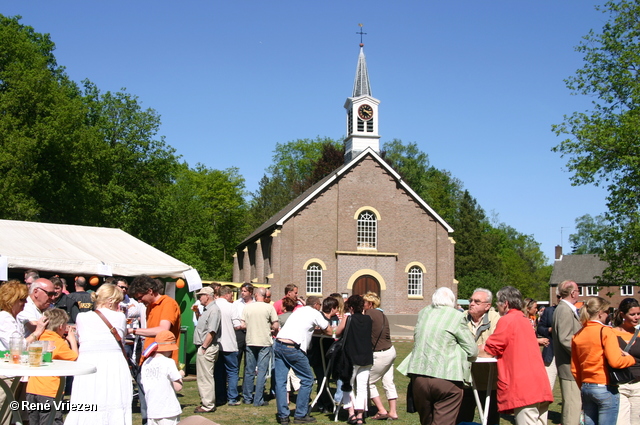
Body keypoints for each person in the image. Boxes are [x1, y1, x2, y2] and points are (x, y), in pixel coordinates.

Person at [397, 287, 477, 425]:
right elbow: (472, 350)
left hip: (419, 376)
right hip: (447, 377)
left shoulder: (424, 313)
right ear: (452, 301)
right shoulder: (457, 316)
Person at [482, 286, 554, 425]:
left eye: (498, 302)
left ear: (506, 303)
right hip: (538, 385)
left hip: (524, 388)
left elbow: (490, 349)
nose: (497, 306)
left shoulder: (508, 320)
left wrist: (471, 349)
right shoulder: (524, 320)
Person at [65, 283, 133, 425]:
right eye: (118, 302)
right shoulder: (120, 317)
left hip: (88, 363)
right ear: (111, 301)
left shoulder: (81, 318)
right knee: (114, 401)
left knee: (87, 400)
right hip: (113, 364)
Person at [572, 297, 636, 425]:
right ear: (600, 313)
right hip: (605, 386)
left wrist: (583, 385)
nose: (608, 315)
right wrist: (630, 359)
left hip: (586, 386)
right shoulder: (606, 331)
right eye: (607, 311)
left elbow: (574, 368)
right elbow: (615, 362)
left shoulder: (578, 334)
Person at [274, 296, 338, 424]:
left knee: (280, 382)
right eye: (319, 304)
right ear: (316, 305)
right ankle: (300, 414)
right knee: (307, 379)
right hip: (293, 347)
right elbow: (329, 331)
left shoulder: (299, 311)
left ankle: (283, 416)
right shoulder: (315, 313)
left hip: (278, 344)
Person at [0, 281, 48, 425]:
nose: (25, 303)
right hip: (5, 375)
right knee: (4, 415)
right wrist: (37, 332)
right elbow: (17, 345)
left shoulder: (14, 318)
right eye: (21, 299)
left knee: (15, 416)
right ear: (11, 300)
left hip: (15, 374)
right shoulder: (4, 318)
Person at [26, 308, 78, 425]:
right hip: (50, 391)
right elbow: (74, 358)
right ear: (60, 326)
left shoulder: (39, 337)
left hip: (31, 390)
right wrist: (72, 340)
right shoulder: (58, 342)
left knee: (34, 421)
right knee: (52, 421)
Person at [457, 288, 500, 425]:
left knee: (490, 418)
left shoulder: (496, 319)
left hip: (490, 380)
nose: (471, 304)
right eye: (471, 301)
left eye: (477, 301)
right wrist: (480, 349)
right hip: (465, 380)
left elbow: (493, 348)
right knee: (462, 418)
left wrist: (469, 349)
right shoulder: (461, 317)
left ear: (487, 306)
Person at [334, 294, 373, 425]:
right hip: (366, 357)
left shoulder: (348, 318)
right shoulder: (368, 319)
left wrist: (344, 318)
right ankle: (360, 415)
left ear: (350, 307)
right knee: (362, 387)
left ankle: (351, 413)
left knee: (347, 385)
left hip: (351, 357)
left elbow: (338, 332)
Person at [361, 292, 398, 421]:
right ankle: (393, 412)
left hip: (380, 353)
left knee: (368, 382)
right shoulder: (382, 314)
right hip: (390, 350)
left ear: (370, 304)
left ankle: (382, 410)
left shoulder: (369, 314)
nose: (362, 305)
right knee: (388, 382)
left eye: (364, 302)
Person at [242, 287, 279, 406]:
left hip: (251, 340)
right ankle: (258, 399)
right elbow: (276, 325)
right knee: (262, 371)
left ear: (256, 295)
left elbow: (242, 324)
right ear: (264, 296)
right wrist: (270, 328)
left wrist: (251, 326)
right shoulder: (269, 308)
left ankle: (247, 398)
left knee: (249, 371)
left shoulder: (247, 307)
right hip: (264, 341)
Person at [553, 279, 583, 425]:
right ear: (572, 293)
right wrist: (583, 354)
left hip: (570, 365)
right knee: (572, 406)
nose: (578, 293)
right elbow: (565, 339)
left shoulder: (565, 308)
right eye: (578, 291)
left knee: (573, 405)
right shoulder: (564, 309)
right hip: (569, 366)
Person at [141, 330, 185, 425]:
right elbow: (178, 387)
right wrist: (180, 375)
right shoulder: (168, 362)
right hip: (168, 410)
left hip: (152, 410)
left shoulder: (146, 363)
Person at [612, 298, 640, 425]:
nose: (636, 317)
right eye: (632, 314)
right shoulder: (611, 333)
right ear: (622, 314)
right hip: (620, 385)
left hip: (638, 385)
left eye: (638, 314)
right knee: (621, 422)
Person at [193, 286, 221, 413]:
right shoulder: (207, 309)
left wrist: (204, 347)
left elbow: (212, 331)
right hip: (205, 346)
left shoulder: (214, 310)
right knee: (204, 376)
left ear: (208, 296)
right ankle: (206, 402)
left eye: (201, 295)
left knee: (206, 377)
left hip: (207, 347)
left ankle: (208, 405)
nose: (199, 297)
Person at [214, 285, 241, 406]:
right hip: (229, 343)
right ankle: (232, 398)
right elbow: (236, 325)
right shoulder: (231, 307)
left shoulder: (213, 306)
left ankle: (220, 396)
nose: (232, 297)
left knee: (218, 372)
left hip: (216, 344)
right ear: (227, 294)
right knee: (232, 371)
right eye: (231, 294)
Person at [537, 292, 560, 391]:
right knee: (547, 387)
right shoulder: (549, 311)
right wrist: (549, 330)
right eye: (559, 297)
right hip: (551, 353)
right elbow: (540, 328)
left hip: (568, 354)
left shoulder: (575, 311)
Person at [233, 283, 254, 374]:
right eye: (242, 291)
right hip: (239, 332)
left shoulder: (255, 304)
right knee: (236, 357)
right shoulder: (237, 303)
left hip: (251, 332)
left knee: (249, 360)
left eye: (245, 291)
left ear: (251, 292)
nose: (242, 293)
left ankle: (247, 385)